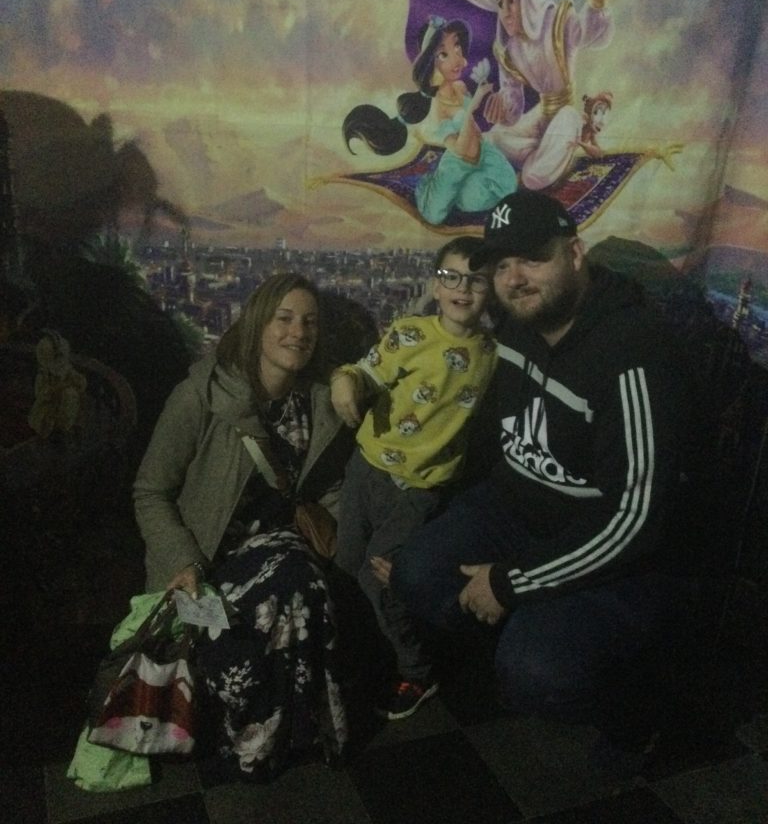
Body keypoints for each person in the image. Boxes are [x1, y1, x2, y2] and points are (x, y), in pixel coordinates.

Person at [389, 191, 699, 770]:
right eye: (502, 264)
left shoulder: (634, 353)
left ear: (575, 253)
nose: (514, 278)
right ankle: (523, 633)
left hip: (611, 548)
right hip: (515, 508)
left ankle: (639, 712)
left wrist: (511, 584)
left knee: (536, 671)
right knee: (416, 573)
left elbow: (635, 519)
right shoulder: (518, 324)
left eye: (533, 258)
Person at [133, 272, 355, 781]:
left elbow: (327, 489)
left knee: (298, 583)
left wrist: (355, 544)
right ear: (257, 324)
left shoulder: (317, 402)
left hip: (277, 545)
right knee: (262, 610)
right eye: (284, 318)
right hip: (203, 554)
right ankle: (248, 736)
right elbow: (150, 491)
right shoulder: (202, 396)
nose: (298, 332)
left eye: (309, 322)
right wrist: (183, 561)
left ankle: (274, 740)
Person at [331, 236, 497, 719]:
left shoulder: (494, 356)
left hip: (419, 490)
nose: (462, 289)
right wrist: (345, 382)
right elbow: (367, 371)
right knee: (346, 566)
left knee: (379, 579)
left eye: (476, 280)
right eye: (451, 277)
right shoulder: (410, 333)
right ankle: (360, 654)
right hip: (367, 469)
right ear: (435, 284)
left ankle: (416, 670)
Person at [438, 0, 632, 190]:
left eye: (512, 0)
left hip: (566, 115)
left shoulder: (558, 21)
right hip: (541, 118)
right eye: (501, 4)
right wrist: (501, 110)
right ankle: (545, 156)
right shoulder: (510, 50)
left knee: (533, 176)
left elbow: (594, 36)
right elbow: (514, 107)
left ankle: (542, 164)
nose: (505, 12)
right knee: (494, 140)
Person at [342, 16, 517, 226]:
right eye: (443, 54)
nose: (456, 59)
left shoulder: (461, 87)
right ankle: (429, 184)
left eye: (457, 48)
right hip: (458, 163)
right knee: (435, 214)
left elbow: (476, 134)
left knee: (505, 185)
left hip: (483, 154)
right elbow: (462, 152)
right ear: (430, 63)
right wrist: (472, 108)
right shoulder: (437, 108)